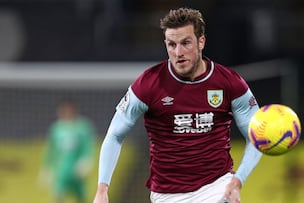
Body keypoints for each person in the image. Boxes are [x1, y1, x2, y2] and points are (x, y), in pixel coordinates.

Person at [93, 7, 262, 203]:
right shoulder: (148, 83)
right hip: (166, 195)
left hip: (217, 187)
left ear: (201, 42)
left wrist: (238, 180)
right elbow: (115, 134)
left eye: (185, 43)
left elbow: (256, 137)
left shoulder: (229, 82)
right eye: (171, 45)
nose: (178, 52)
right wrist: (102, 189)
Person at [40, 98, 96, 203]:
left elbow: (87, 146)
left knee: (81, 197)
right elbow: (50, 150)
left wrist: (86, 161)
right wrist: (46, 169)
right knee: (58, 196)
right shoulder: (56, 128)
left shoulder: (83, 127)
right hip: (61, 170)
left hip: (77, 170)